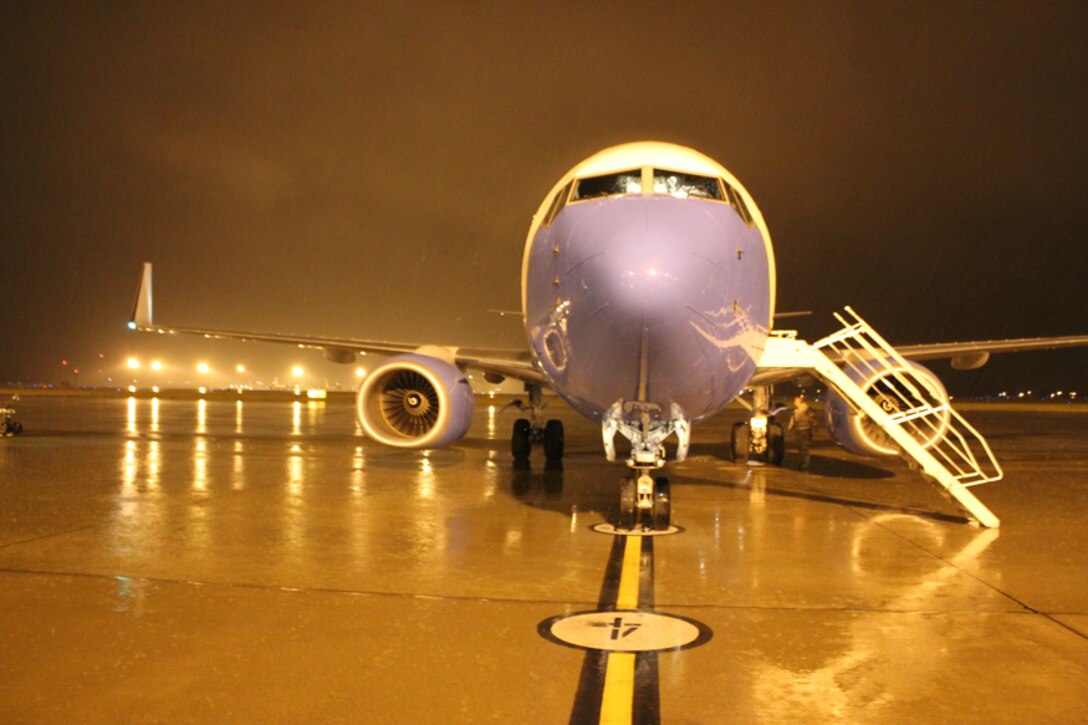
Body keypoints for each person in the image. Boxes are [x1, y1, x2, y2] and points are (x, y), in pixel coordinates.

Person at [788, 395, 815, 470]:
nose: (794, 403)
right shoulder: (798, 410)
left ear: (799, 402)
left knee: (804, 447)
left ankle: (806, 462)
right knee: (800, 446)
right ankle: (803, 460)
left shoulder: (804, 408)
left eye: (795, 401)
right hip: (799, 429)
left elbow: (797, 417)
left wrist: (791, 425)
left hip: (804, 430)